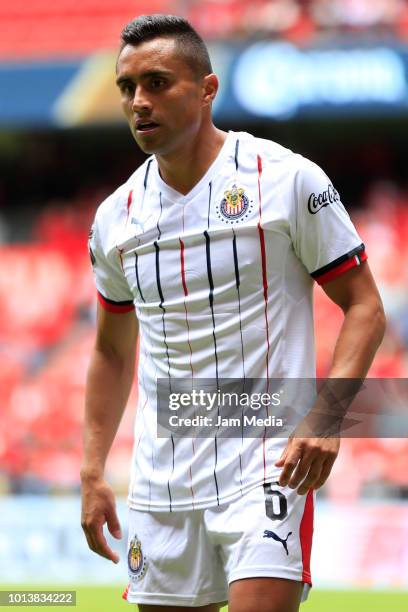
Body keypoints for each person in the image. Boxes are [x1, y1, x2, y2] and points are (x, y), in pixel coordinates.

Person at [80, 14, 386, 612]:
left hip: (266, 465)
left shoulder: (288, 180)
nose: (139, 102)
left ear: (207, 89)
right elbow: (111, 350)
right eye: (127, 88)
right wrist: (92, 471)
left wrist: (327, 417)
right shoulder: (115, 218)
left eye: (158, 83)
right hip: (160, 482)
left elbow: (365, 306)